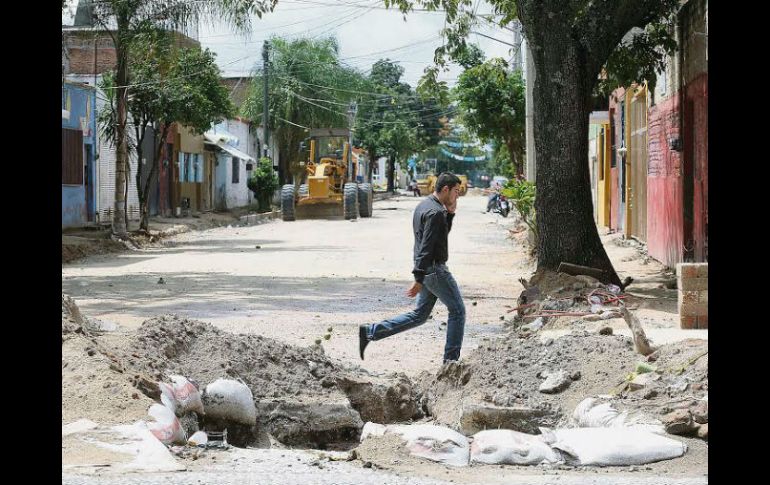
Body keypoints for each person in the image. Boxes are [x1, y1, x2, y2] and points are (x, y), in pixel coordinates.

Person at [358, 173, 465, 364]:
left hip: (427, 270)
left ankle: (370, 332)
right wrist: (418, 278)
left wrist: (450, 214)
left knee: (419, 316)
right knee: (458, 311)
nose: (458, 195)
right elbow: (427, 247)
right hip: (434, 270)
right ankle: (451, 362)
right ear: (446, 189)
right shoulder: (435, 212)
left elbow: (438, 238)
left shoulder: (425, 205)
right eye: (456, 191)